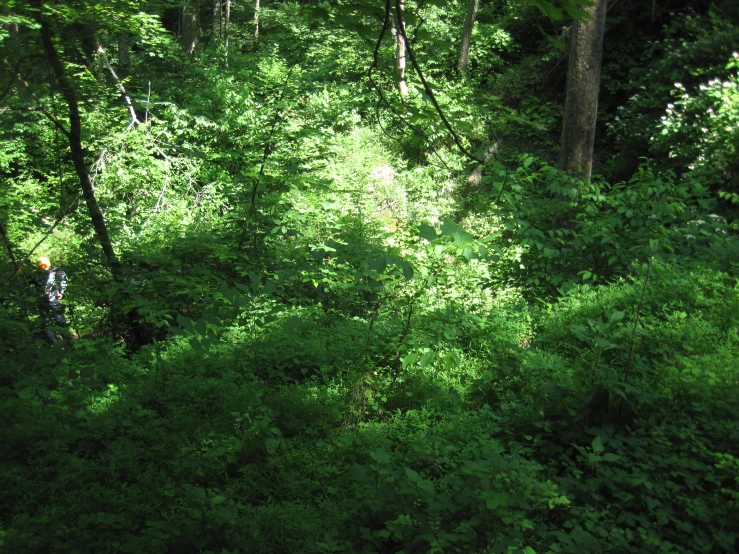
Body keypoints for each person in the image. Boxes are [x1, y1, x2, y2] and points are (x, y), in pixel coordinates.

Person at [35, 256, 69, 345]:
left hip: (54, 299)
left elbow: (63, 279)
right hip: (43, 300)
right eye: (41, 264)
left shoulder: (54, 271)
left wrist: (61, 292)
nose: (42, 266)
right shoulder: (37, 274)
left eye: (43, 264)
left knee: (59, 319)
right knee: (47, 322)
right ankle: (53, 343)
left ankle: (67, 340)